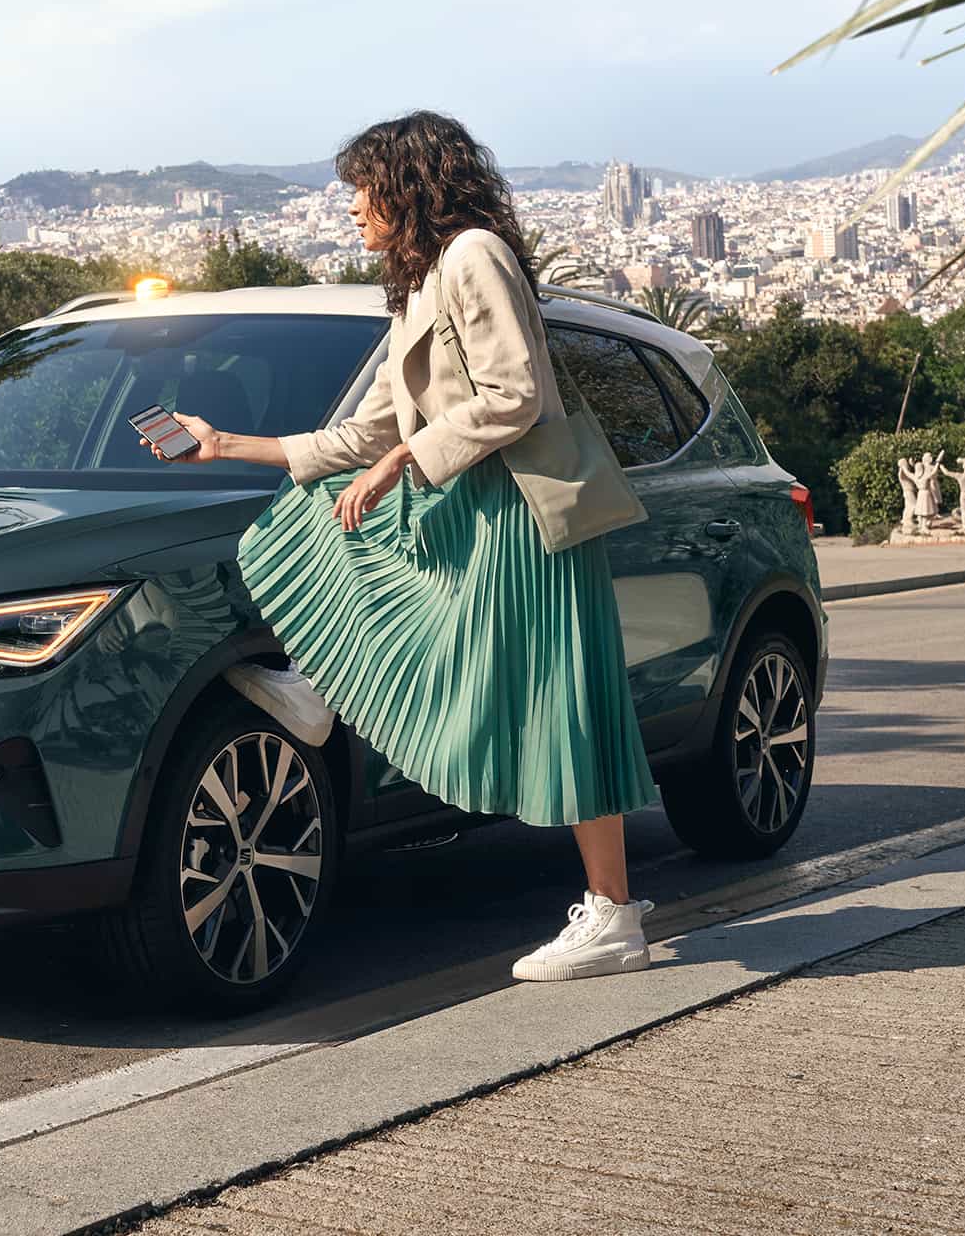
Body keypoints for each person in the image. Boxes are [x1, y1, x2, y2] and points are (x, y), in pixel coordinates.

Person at [154, 111, 661, 982]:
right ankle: (327, 687)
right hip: (471, 514)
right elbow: (372, 426)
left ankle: (612, 914)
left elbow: (517, 395)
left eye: (361, 188)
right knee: (311, 509)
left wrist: (401, 460)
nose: (351, 206)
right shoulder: (423, 284)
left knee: (562, 708)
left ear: (407, 185)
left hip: (521, 515)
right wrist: (228, 443)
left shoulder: (474, 255)